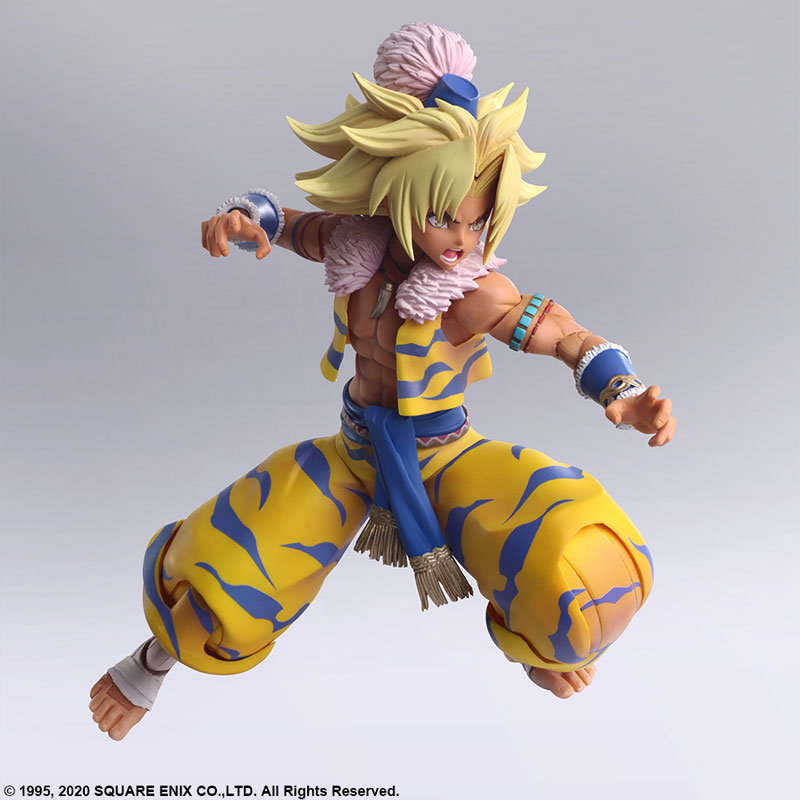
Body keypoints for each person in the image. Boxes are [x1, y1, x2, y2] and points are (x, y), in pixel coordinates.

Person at [89, 22, 675, 741]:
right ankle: (149, 663)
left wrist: (622, 389)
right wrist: (243, 218)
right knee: (221, 574)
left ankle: (534, 651)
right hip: (353, 455)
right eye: (440, 215)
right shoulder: (354, 245)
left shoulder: (471, 292)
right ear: (393, 191)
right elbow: (285, 221)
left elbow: (558, 330)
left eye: (478, 219)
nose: (461, 238)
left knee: (585, 561)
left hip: (447, 457)